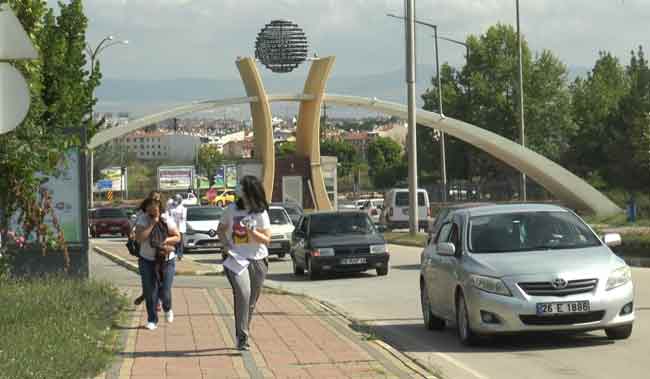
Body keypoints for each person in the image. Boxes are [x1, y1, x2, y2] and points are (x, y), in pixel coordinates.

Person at [217, 175, 272, 351]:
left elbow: (267, 239)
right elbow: (221, 229)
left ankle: (244, 331)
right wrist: (225, 246)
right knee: (243, 293)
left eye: (241, 186)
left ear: (250, 190)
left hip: (258, 260)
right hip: (235, 258)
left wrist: (253, 231)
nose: (238, 188)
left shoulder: (260, 212)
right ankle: (242, 338)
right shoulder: (231, 209)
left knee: (250, 301)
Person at [135, 197, 180, 330]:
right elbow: (139, 238)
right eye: (150, 206)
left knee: (165, 290)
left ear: (160, 208)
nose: (153, 209)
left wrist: (164, 241)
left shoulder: (166, 219)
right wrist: (153, 223)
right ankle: (152, 319)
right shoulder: (143, 219)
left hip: (166, 260)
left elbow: (177, 237)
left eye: (155, 206)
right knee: (150, 291)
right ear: (146, 207)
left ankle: (168, 308)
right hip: (147, 260)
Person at [169, 194, 187, 261]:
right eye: (174, 199)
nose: (175, 201)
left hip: (180, 228)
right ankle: (173, 254)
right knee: (173, 241)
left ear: (179, 200)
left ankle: (180, 255)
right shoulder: (171, 208)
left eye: (177, 199)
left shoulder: (183, 208)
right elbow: (169, 216)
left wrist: (178, 219)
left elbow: (183, 218)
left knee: (180, 242)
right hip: (172, 227)